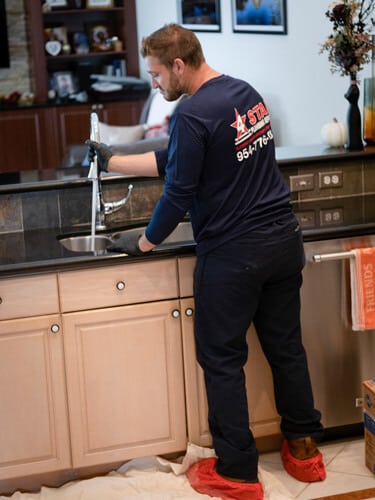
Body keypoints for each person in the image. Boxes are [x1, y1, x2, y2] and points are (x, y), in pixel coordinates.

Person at [87, 23, 325, 500]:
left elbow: (179, 190)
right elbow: (182, 159)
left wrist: (146, 242)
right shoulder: (244, 93)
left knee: (221, 359)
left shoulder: (192, 114)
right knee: (286, 350)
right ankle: (304, 451)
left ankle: (237, 473)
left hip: (235, 254)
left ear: (179, 65)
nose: (154, 84)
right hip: (282, 243)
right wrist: (112, 160)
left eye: (156, 74)